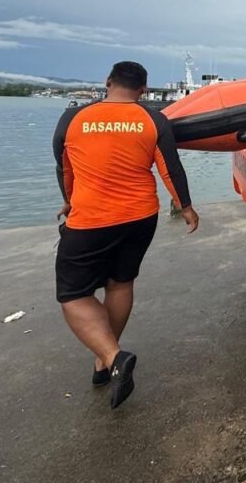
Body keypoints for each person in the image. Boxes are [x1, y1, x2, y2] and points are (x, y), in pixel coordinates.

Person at [53, 61, 199, 408]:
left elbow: (64, 167)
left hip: (91, 220)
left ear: (107, 82)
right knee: (121, 283)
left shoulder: (72, 118)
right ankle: (104, 363)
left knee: (72, 294)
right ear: (144, 91)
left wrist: (69, 202)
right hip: (139, 217)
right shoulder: (153, 119)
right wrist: (186, 206)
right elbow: (170, 168)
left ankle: (114, 357)